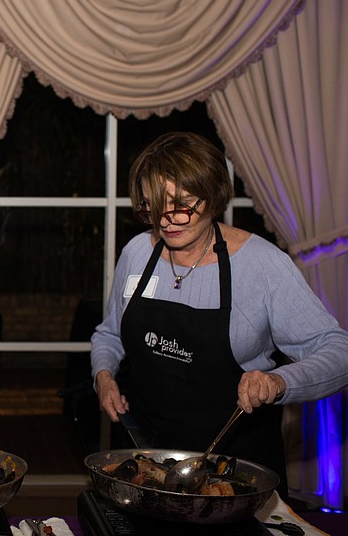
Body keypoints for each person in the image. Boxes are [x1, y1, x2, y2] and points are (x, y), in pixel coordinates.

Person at [90, 131, 348, 499]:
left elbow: (339, 352)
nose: (166, 221)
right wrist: (103, 375)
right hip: (148, 462)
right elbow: (109, 334)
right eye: (153, 206)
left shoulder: (262, 264)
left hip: (235, 476)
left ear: (213, 196)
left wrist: (277, 382)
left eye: (181, 204)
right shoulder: (137, 253)